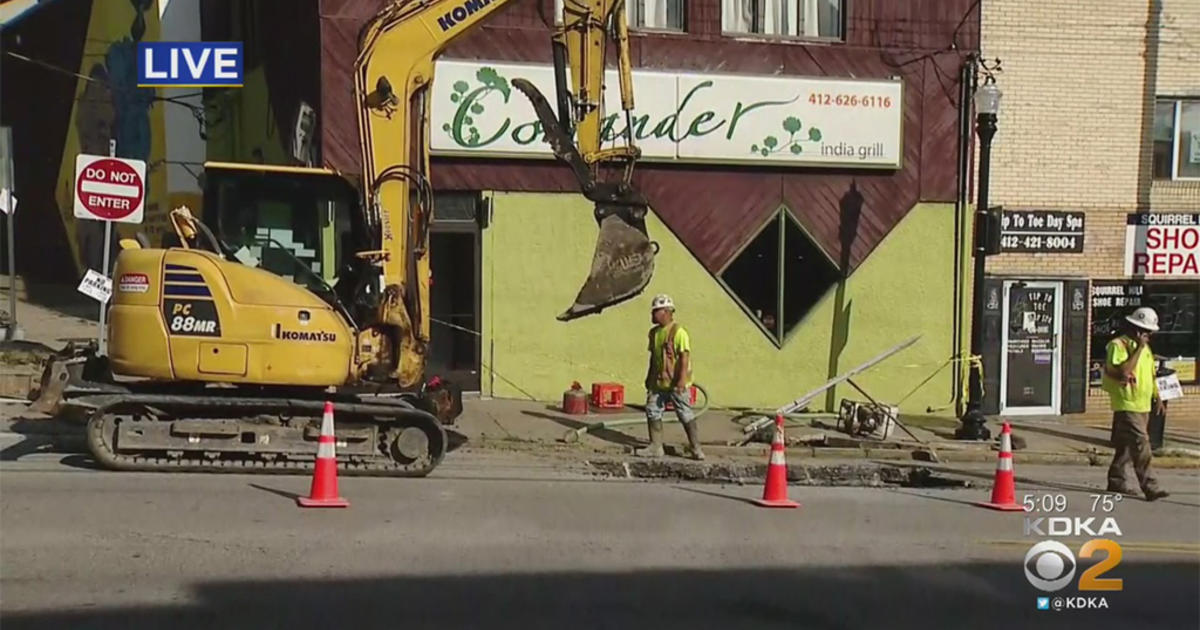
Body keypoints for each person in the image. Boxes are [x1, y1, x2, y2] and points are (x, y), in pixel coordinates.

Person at [1101, 306, 1169, 501]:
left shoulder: (1146, 348)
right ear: (1135, 328)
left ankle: (1116, 481)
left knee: (1125, 446)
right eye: (1145, 331)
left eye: (1149, 332)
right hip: (1126, 402)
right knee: (1141, 444)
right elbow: (1123, 371)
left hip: (1142, 403)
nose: (1147, 336)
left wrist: (1157, 397)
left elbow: (1150, 375)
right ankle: (1150, 486)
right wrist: (1138, 348)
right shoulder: (1118, 345)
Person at [635, 294, 704, 460]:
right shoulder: (654, 333)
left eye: (656, 311)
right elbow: (654, 357)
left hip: (676, 384)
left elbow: (684, 357)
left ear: (666, 312)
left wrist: (680, 381)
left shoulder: (678, 332)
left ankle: (696, 448)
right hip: (659, 383)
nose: (653, 315)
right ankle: (656, 447)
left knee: (684, 414)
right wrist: (649, 377)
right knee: (652, 411)